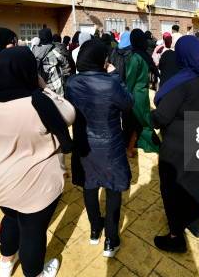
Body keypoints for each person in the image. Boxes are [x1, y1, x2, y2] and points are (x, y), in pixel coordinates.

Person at [0, 47, 75, 277]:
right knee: (32, 232)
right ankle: (34, 273)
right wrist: (43, 87)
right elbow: (69, 113)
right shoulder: (38, 103)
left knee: (11, 218)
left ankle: (5, 263)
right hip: (35, 187)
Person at [65, 39, 133, 258]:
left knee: (89, 184)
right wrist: (114, 76)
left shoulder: (72, 83)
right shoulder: (110, 82)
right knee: (113, 189)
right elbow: (128, 103)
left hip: (84, 144)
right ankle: (111, 240)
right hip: (110, 144)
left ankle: (95, 229)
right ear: (101, 60)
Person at [151, 35, 199, 253]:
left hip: (180, 143)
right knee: (197, 182)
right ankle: (194, 223)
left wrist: (148, 118)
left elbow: (161, 117)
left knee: (173, 187)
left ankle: (175, 236)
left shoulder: (183, 82)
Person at [124, 29, 160, 155]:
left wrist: (124, 96)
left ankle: (155, 146)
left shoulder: (135, 57)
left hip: (135, 94)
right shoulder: (144, 55)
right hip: (143, 93)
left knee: (141, 123)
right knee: (140, 121)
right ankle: (130, 148)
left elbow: (130, 80)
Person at [33, 28, 72, 96]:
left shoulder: (34, 50)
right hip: (55, 85)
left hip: (40, 86)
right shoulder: (54, 50)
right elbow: (65, 64)